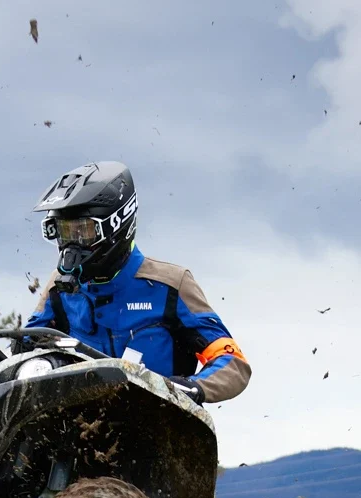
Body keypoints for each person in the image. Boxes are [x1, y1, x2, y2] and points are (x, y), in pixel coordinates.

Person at [25, 161, 251, 403]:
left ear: (117, 224)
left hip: (158, 423)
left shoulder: (171, 285)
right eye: (65, 232)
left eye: (83, 231)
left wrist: (191, 388)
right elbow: (22, 352)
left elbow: (233, 363)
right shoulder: (58, 287)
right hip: (76, 425)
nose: (72, 245)